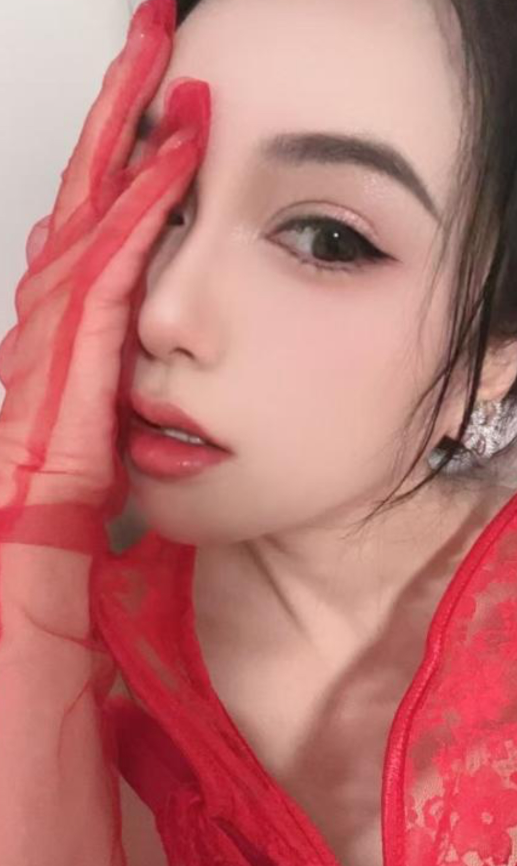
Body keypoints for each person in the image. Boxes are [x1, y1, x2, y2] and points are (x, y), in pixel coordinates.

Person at [1, 0, 517, 863]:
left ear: (497, 353)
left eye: (328, 239)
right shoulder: (48, 643)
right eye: (156, 197)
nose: (163, 312)